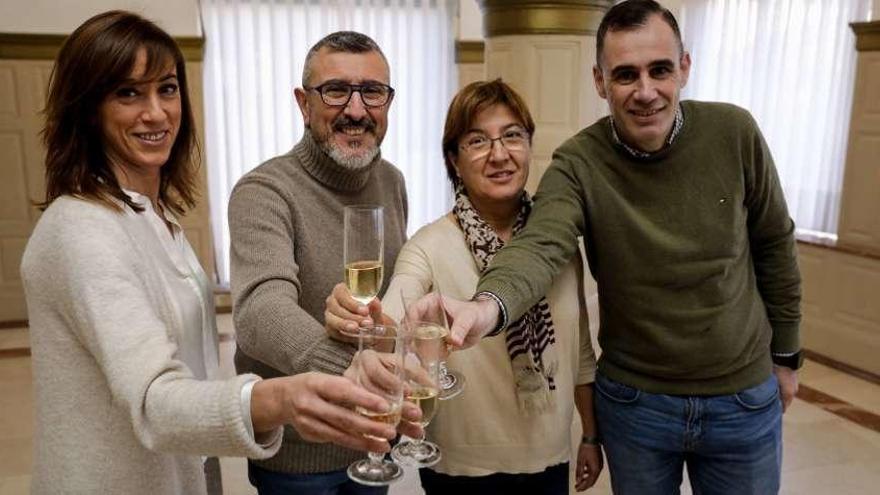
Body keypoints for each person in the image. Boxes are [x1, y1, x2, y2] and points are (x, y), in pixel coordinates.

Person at [21, 12, 414, 495]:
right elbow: (169, 388)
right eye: (128, 93)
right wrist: (307, 387)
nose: (156, 112)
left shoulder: (151, 217)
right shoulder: (80, 229)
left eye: (166, 89)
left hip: (192, 464)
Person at [434, 1, 803, 494]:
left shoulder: (734, 133)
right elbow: (539, 246)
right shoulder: (579, 162)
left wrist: (787, 354)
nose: (645, 91)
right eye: (626, 75)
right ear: (599, 81)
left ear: (685, 68)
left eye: (660, 70)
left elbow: (775, 243)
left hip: (742, 398)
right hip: (637, 407)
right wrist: (485, 309)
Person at [325, 79, 604, 493]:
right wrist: (374, 326)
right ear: (454, 160)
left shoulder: (557, 244)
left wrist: (590, 436)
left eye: (512, 136)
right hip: (460, 468)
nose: (499, 154)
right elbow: (398, 310)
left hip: (548, 455)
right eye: (477, 141)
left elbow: (579, 350)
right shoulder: (429, 245)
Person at [228, 31, 408, 494]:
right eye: (335, 90)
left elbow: (387, 306)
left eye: (372, 91)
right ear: (303, 103)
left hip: (371, 439)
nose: (355, 109)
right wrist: (351, 373)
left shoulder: (391, 182)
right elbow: (259, 312)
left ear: (387, 102)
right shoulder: (264, 190)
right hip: (298, 454)